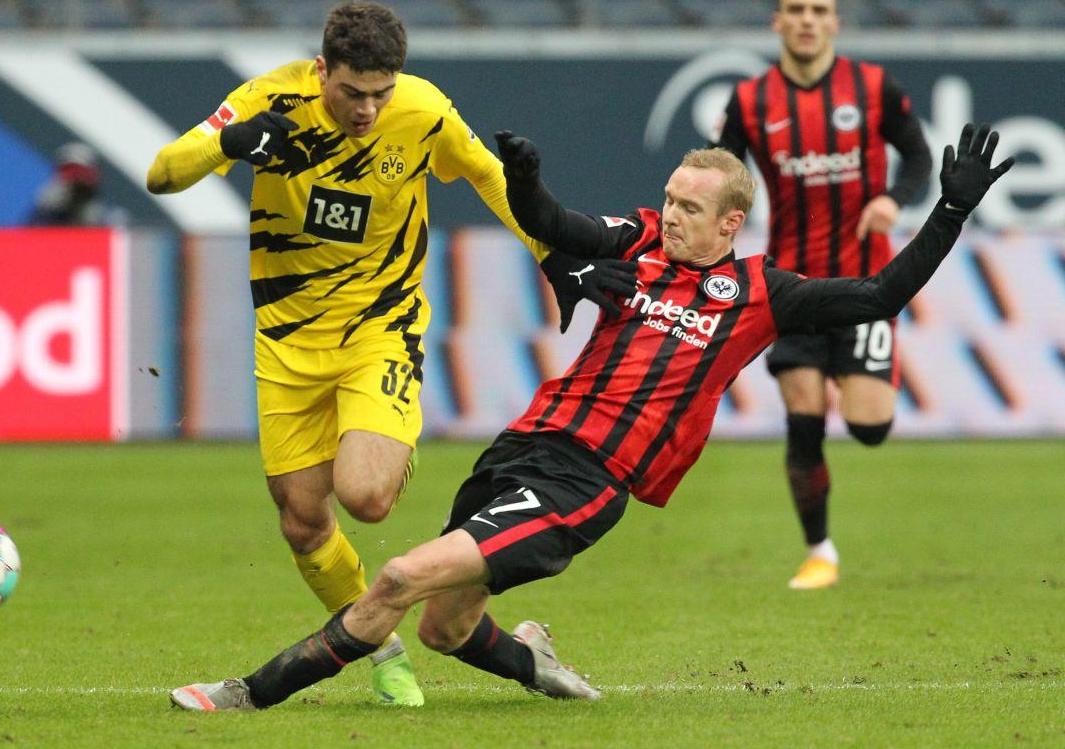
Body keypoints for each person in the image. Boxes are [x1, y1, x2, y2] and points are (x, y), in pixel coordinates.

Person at [167, 123, 1011, 711]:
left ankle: (248, 693)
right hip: (520, 450)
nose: (670, 214)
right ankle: (532, 659)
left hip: (587, 480)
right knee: (444, 627)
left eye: (688, 207)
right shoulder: (636, 240)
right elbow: (555, 225)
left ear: (730, 223)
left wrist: (951, 211)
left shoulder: (762, 293)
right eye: (669, 199)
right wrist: (527, 180)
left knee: (398, 578)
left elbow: (880, 294)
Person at [145, 0, 630, 707]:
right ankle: (383, 650)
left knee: (366, 497)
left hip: (382, 326)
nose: (368, 109)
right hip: (285, 343)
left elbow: (493, 177)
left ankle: (390, 443)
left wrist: (552, 255)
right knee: (302, 519)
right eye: (352, 92)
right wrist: (229, 143)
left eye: (381, 93)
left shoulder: (424, 111)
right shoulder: (268, 102)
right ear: (322, 72)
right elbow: (162, 173)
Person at [710, 0, 933, 589]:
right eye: (796, 9)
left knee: (868, 427)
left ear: (835, 21)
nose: (808, 19)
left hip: (869, 285)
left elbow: (918, 155)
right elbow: (718, 174)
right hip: (793, 286)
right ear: (777, 22)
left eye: (819, 9)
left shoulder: (873, 87)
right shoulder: (751, 102)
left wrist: (894, 199)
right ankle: (820, 553)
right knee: (803, 414)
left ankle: (856, 377)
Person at [28, 143, 123, 226]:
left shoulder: (111, 219)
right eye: (69, 171)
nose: (75, 178)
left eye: (80, 172)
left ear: (95, 176)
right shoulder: (41, 215)